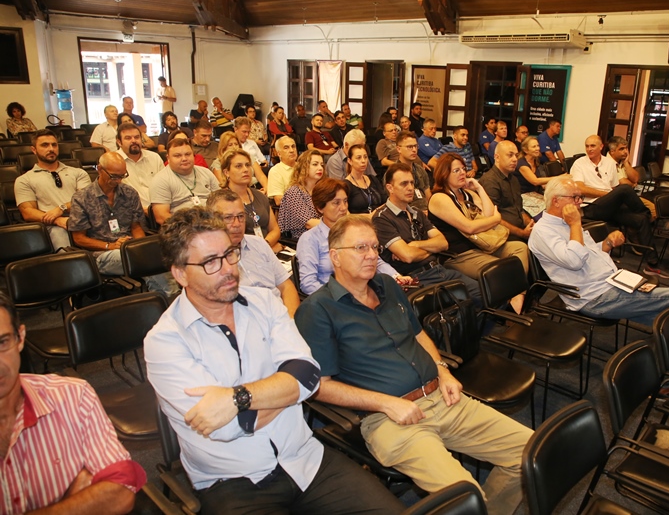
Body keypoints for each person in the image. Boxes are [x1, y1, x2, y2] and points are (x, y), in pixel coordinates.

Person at [144, 208, 404, 515]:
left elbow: (308, 375)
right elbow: (226, 428)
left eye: (230, 254)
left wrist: (237, 397)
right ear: (180, 273)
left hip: (305, 457)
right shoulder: (164, 342)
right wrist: (285, 389)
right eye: (211, 262)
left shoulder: (264, 302)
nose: (228, 268)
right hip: (233, 481)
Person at [295, 215, 533, 514]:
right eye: (360, 248)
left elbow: (418, 334)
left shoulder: (386, 285)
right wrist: (387, 404)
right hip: (391, 420)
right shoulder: (317, 311)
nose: (371, 255)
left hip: (442, 397)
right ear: (335, 257)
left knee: (531, 454)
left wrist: (443, 370)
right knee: (467, 496)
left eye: (374, 246)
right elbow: (320, 387)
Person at [0, 291, 147, 513]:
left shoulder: (73, 396)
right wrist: (75, 503)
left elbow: (121, 490)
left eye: (2, 342)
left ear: (20, 338)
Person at [530, 175, 669, 325]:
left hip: (611, 282)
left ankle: (666, 343)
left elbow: (589, 252)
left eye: (580, 197)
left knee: (663, 316)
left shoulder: (566, 223)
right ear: (556, 201)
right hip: (592, 296)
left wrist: (607, 243)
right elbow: (575, 261)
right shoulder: (543, 232)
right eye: (575, 198)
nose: (579, 203)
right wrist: (576, 224)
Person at [373, 163, 484, 307]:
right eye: (404, 184)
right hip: (415, 278)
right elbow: (408, 256)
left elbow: (443, 243)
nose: (410, 188)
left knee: (484, 293)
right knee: (457, 306)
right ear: (390, 188)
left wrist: (414, 245)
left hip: (438, 270)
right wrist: (429, 248)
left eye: (412, 183)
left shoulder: (417, 213)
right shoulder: (382, 218)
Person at [428, 154, 529, 310]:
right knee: (505, 268)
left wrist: (479, 188)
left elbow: (488, 214)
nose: (462, 173)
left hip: (481, 246)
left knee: (520, 248)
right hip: (459, 255)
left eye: (463, 168)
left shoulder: (467, 194)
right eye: (456, 170)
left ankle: (517, 300)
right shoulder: (439, 198)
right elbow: (469, 227)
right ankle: (510, 310)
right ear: (444, 174)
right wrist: (496, 219)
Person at [69, 152, 177, 296]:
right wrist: (110, 246)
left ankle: (161, 298)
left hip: (129, 247)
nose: (119, 181)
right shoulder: (82, 198)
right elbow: (79, 238)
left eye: (122, 176)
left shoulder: (129, 193)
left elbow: (136, 227)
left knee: (154, 254)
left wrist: (139, 247)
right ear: (100, 169)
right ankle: (171, 296)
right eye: (114, 176)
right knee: (144, 259)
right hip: (101, 254)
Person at [570, 134, 669, 277]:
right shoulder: (579, 163)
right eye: (587, 146)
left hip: (610, 206)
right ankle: (649, 215)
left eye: (593, 146)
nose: (589, 149)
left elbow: (615, 187)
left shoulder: (609, 163)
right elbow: (580, 188)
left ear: (601, 147)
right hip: (591, 206)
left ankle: (653, 264)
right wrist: (607, 195)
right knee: (625, 189)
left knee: (640, 220)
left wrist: (613, 196)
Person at [296, 178, 410, 295]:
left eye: (345, 201)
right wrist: (338, 298)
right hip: (334, 300)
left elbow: (377, 261)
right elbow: (308, 283)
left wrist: (396, 277)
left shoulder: (355, 231)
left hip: (365, 291)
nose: (343, 208)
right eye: (336, 203)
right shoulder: (310, 239)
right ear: (320, 208)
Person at [207, 189, 299, 315]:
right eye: (228, 218)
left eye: (240, 216)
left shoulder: (259, 244)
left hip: (281, 317)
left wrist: (290, 321)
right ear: (211, 220)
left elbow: (286, 287)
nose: (237, 224)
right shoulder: (208, 261)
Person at [15, 129, 91, 249]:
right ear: (33, 150)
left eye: (54, 145)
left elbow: (86, 199)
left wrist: (61, 208)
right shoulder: (24, 180)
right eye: (45, 145)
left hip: (84, 221)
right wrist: (56, 219)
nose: (51, 149)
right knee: (62, 242)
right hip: (54, 227)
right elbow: (27, 212)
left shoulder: (78, 173)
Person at [219, 149, 282, 250]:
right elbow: (225, 239)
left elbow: (275, 229)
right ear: (226, 172)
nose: (245, 169)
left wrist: (265, 246)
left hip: (267, 249)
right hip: (240, 254)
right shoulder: (221, 201)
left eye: (247, 165)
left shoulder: (260, 196)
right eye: (239, 166)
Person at [150, 137, 220, 225]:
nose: (184, 159)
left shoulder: (206, 172)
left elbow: (221, 201)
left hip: (213, 222)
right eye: (177, 156)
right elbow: (161, 217)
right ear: (168, 158)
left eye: (187, 154)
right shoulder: (160, 180)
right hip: (182, 228)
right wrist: (190, 226)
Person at [479, 141, 534, 243]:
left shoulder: (513, 179)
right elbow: (492, 219)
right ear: (497, 157)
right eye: (510, 155)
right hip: (502, 236)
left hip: (520, 231)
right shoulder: (490, 181)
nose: (514, 159)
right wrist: (522, 233)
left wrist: (531, 224)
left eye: (516, 156)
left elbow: (519, 210)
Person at [117, 122, 165, 210]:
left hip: (159, 208)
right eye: (128, 138)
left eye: (137, 137)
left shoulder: (154, 157)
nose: (134, 141)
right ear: (119, 142)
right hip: (130, 212)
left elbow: (165, 185)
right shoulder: (114, 162)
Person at [607, 136, 658, 219]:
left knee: (654, 209)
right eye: (621, 149)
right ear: (612, 151)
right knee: (652, 210)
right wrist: (633, 184)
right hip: (617, 198)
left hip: (630, 195)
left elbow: (636, 178)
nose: (625, 152)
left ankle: (640, 228)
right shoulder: (608, 163)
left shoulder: (622, 162)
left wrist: (626, 163)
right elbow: (623, 183)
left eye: (626, 148)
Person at [278, 150, 324, 239]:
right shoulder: (294, 192)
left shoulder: (321, 189)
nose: (320, 168)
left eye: (322, 165)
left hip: (323, 235)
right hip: (301, 240)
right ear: (304, 167)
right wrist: (337, 226)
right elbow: (309, 223)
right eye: (315, 164)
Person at [515, 136, 552, 221]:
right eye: (534, 146)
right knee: (544, 209)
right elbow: (535, 181)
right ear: (526, 150)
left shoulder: (536, 161)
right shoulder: (521, 163)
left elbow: (541, 182)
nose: (537, 148)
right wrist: (559, 178)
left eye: (538, 146)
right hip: (522, 195)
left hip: (534, 194)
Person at [345, 144, 386, 215]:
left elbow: (385, 201)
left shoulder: (372, 178)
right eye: (358, 158)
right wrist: (368, 217)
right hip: (358, 223)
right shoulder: (346, 185)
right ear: (350, 161)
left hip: (379, 219)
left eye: (365, 157)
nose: (363, 161)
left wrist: (375, 213)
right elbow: (345, 212)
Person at [396, 131, 431, 212]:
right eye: (410, 147)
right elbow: (395, 203)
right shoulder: (394, 173)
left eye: (415, 146)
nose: (414, 150)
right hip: (407, 214)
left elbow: (428, 195)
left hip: (426, 212)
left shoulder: (420, 170)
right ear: (399, 149)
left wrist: (430, 211)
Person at [267, 136, 298, 206]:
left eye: (293, 146)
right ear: (279, 154)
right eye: (286, 148)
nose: (291, 150)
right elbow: (279, 201)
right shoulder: (275, 171)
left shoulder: (304, 167)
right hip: (291, 212)